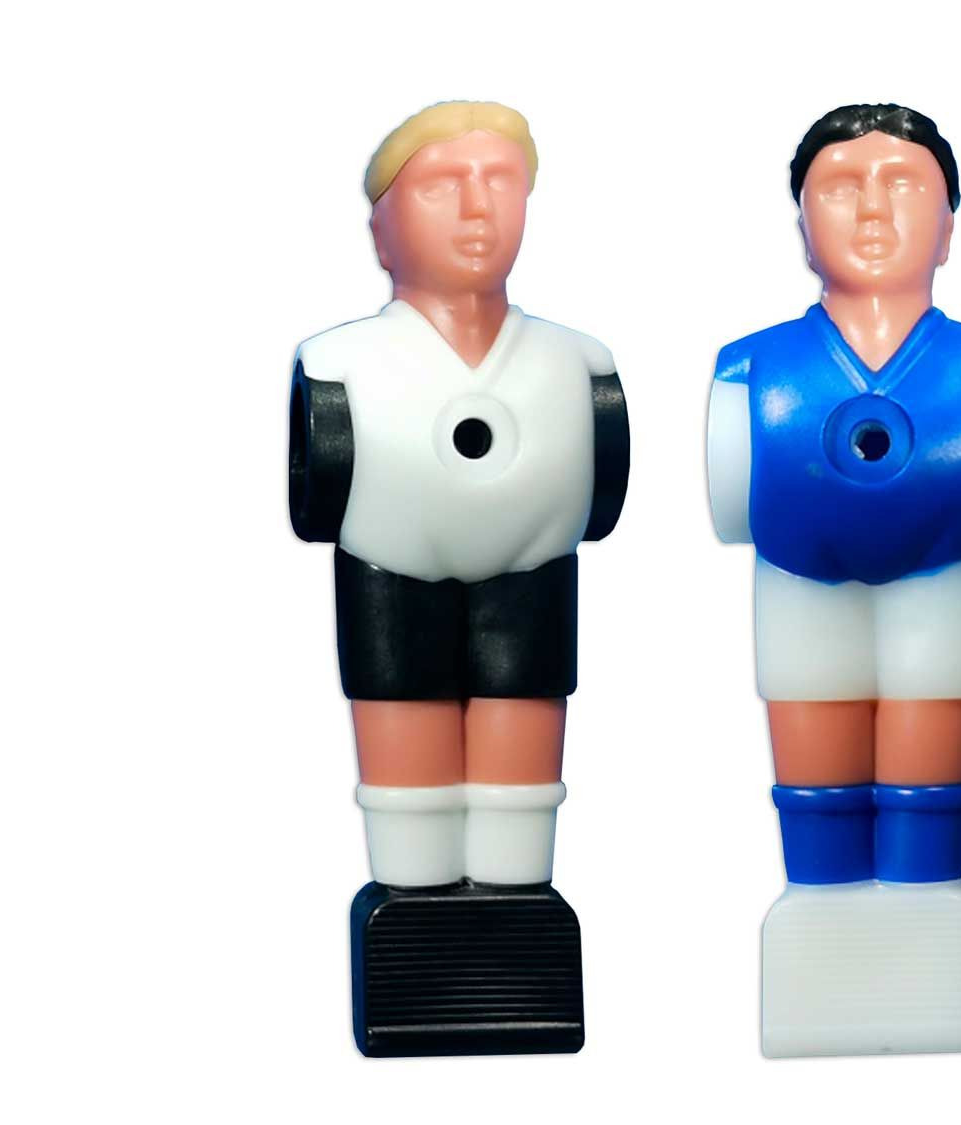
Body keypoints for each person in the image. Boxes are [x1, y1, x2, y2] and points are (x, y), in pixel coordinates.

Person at [290, 101, 627, 1055]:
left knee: (521, 811)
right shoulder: (339, 366)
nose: (479, 209)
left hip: (535, 584)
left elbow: (601, 498)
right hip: (389, 586)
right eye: (443, 186)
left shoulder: (579, 365)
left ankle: (515, 901)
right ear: (380, 231)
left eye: (502, 183)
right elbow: (319, 500)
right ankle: (415, 899)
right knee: (410, 815)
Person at [708, 103, 961, 1056]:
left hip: (946, 593)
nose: (874, 209)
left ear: (950, 224)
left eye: (904, 185)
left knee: (931, 783)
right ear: (802, 225)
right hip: (800, 592)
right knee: (816, 784)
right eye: (842, 188)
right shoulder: (751, 371)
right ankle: (822, 912)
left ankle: (927, 915)